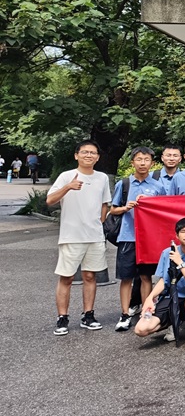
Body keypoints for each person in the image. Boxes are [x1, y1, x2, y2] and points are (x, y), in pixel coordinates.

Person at [47, 140, 112, 336]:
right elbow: (50, 200)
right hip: (71, 235)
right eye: (84, 152)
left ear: (98, 157)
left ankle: (88, 315)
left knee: (90, 276)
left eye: (93, 153)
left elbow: (105, 204)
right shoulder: (66, 176)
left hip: (94, 236)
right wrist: (68, 187)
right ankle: (62, 317)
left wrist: (99, 223)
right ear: (77, 155)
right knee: (66, 277)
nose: (88, 155)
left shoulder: (102, 178)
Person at [108, 146, 168, 332]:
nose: (143, 163)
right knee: (126, 277)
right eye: (139, 159)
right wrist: (126, 207)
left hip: (148, 238)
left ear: (152, 163)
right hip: (127, 237)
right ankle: (125, 314)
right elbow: (113, 210)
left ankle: (145, 312)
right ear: (132, 162)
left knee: (145, 277)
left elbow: (163, 211)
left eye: (146, 159)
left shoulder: (158, 186)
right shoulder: (124, 184)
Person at [134, 217, 185, 347]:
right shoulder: (167, 253)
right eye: (183, 231)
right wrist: (149, 298)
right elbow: (163, 281)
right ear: (177, 235)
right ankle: (171, 322)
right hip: (169, 299)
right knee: (141, 329)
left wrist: (180, 262)